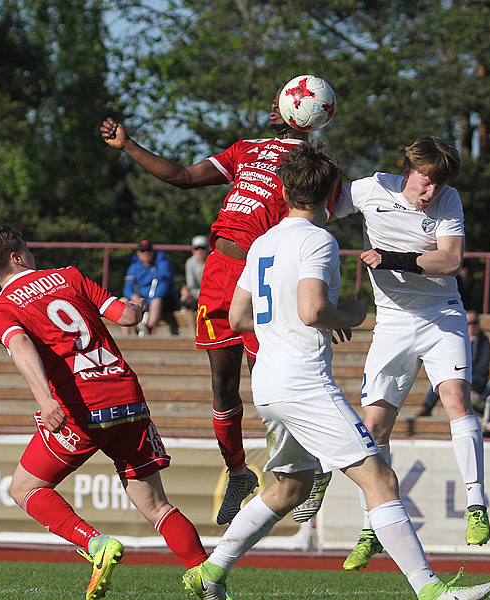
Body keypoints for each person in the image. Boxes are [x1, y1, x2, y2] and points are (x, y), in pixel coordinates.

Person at [181, 143, 490, 600]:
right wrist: (348, 314)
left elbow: (236, 320)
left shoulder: (263, 242)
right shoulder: (318, 240)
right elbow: (314, 312)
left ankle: (209, 573)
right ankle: (432, 592)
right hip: (304, 382)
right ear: (331, 192)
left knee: (290, 488)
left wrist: (294, 318)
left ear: (285, 190)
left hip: (267, 383)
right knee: (380, 479)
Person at [101, 85, 312, 525]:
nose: (274, 104)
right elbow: (181, 176)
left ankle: (306, 465)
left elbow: (320, 230)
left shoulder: (313, 167)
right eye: (275, 97)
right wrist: (128, 145)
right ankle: (239, 473)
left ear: (307, 111)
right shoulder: (245, 150)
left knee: (270, 388)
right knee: (222, 388)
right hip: (217, 273)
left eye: (286, 99)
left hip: (262, 278)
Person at [0, 226, 209, 600]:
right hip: (129, 400)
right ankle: (207, 579)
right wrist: (136, 307)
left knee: (25, 488)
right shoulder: (69, 276)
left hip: (83, 409)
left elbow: (18, 343)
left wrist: (46, 400)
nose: (32, 255)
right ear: (17, 258)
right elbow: (127, 318)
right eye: (27, 251)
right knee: (156, 505)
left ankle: (96, 544)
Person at [318, 136, 489, 573]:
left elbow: (450, 261)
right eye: (425, 181)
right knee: (373, 427)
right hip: (392, 323)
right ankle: (371, 527)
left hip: (441, 314)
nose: (429, 192)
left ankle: (476, 504)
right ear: (407, 169)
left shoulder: (448, 200)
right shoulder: (369, 189)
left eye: (436, 185)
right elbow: (316, 212)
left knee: (455, 399)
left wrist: (392, 258)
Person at [417, 310, 490, 417]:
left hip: (476, 376)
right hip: (459, 372)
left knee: (457, 383)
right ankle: (427, 406)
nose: (471, 326)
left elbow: (483, 364)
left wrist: (465, 372)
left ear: (478, 324)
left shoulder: (484, 341)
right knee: (441, 379)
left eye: (474, 322)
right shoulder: (459, 339)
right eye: (468, 323)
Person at [123, 239, 179, 336]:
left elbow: (163, 286)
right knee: (123, 301)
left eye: (148, 250)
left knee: (156, 301)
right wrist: (135, 298)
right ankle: (126, 337)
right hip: (141, 301)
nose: (146, 253)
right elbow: (127, 288)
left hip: (160, 301)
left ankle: (149, 330)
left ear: (153, 252)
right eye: (143, 251)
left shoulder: (162, 264)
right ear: (138, 253)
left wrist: (146, 302)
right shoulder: (134, 267)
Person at [180, 235, 209, 321]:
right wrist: (186, 293)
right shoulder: (190, 262)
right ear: (193, 251)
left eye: (202, 248)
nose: (200, 251)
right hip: (199, 294)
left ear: (207, 249)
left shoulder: (214, 262)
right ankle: (193, 333)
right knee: (186, 299)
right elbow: (191, 285)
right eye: (197, 248)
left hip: (212, 295)